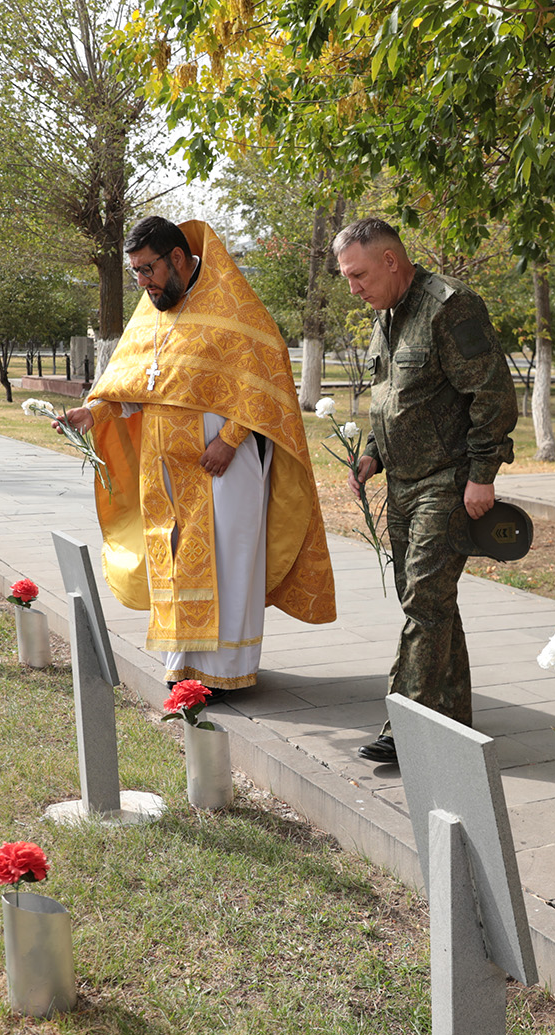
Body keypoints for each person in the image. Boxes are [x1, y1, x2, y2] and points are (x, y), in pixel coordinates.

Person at [63, 216, 336, 689]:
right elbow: (137, 385)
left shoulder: (235, 306)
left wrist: (229, 440)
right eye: (134, 272)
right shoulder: (151, 313)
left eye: (147, 269)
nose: (142, 282)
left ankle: (226, 672)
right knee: (173, 558)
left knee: (228, 562)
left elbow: (265, 381)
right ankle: (183, 667)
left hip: (223, 466)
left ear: (176, 258)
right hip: (164, 470)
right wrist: (94, 412)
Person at [337, 218, 518, 767]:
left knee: (423, 600)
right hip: (402, 482)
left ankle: (407, 727)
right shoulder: (387, 314)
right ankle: (452, 717)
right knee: (431, 603)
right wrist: (373, 452)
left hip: (448, 480)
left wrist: (482, 473)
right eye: (347, 278)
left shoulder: (450, 306)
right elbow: (395, 396)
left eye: (359, 275)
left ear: (391, 261)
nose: (354, 288)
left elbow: (492, 392)